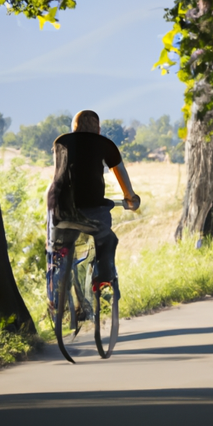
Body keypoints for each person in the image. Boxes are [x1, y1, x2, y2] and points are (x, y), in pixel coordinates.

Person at [46, 110, 140, 310]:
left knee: (60, 247)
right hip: (92, 208)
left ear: (74, 128)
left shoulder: (61, 142)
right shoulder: (105, 144)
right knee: (106, 239)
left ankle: (56, 288)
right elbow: (119, 172)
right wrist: (130, 198)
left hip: (60, 208)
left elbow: (59, 174)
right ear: (98, 129)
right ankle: (104, 280)